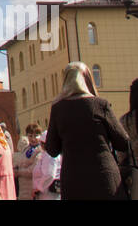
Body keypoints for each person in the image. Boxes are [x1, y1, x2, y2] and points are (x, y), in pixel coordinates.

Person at [45, 62, 129, 200]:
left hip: (74, 180)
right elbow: (123, 142)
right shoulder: (100, 105)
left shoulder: (58, 109)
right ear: (87, 79)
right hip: (104, 176)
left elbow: (52, 149)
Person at [13, 123, 41, 201]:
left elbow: (33, 170)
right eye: (30, 136)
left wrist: (19, 172)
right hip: (23, 190)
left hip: (34, 190)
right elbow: (19, 162)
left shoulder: (40, 151)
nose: (33, 139)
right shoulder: (26, 149)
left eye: (36, 136)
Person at [32, 133, 62, 200]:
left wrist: (38, 188)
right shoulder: (46, 155)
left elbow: (49, 174)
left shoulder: (49, 156)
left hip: (49, 195)